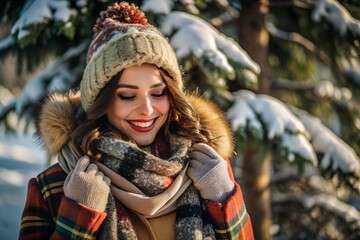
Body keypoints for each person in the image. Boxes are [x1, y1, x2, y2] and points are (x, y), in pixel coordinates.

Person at [19, 2, 254, 239]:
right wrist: (78, 216)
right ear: (100, 102)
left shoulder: (208, 171)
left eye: (158, 92)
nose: (147, 109)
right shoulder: (54, 186)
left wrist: (224, 199)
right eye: (128, 96)